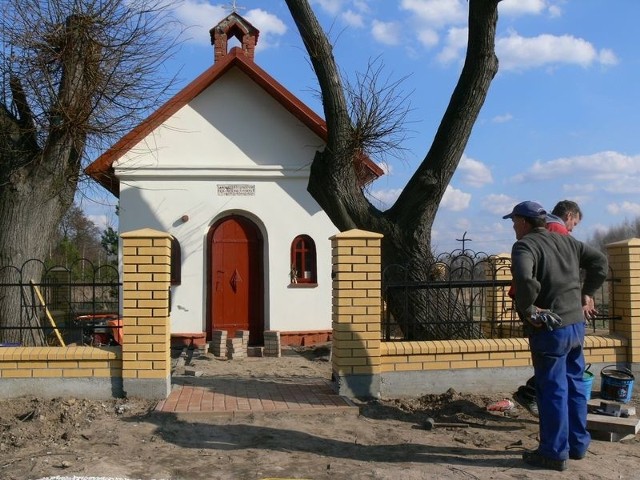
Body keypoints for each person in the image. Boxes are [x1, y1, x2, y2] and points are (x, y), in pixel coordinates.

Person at [503, 200, 607, 471]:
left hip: (550, 329)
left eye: (514, 221)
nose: (513, 226)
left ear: (524, 222)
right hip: (575, 326)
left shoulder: (525, 245)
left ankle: (552, 452)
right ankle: (577, 445)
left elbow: (525, 279)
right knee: (573, 385)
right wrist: (588, 292)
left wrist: (529, 310)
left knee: (552, 390)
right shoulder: (566, 242)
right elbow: (600, 262)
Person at [512, 200, 584, 415]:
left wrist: (527, 306)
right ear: (569, 215)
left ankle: (556, 445)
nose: (572, 228)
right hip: (556, 312)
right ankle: (571, 443)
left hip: (549, 310)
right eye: (574, 223)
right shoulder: (557, 231)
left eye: (515, 221)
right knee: (563, 382)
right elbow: (593, 262)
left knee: (555, 379)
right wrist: (585, 293)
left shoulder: (547, 231)